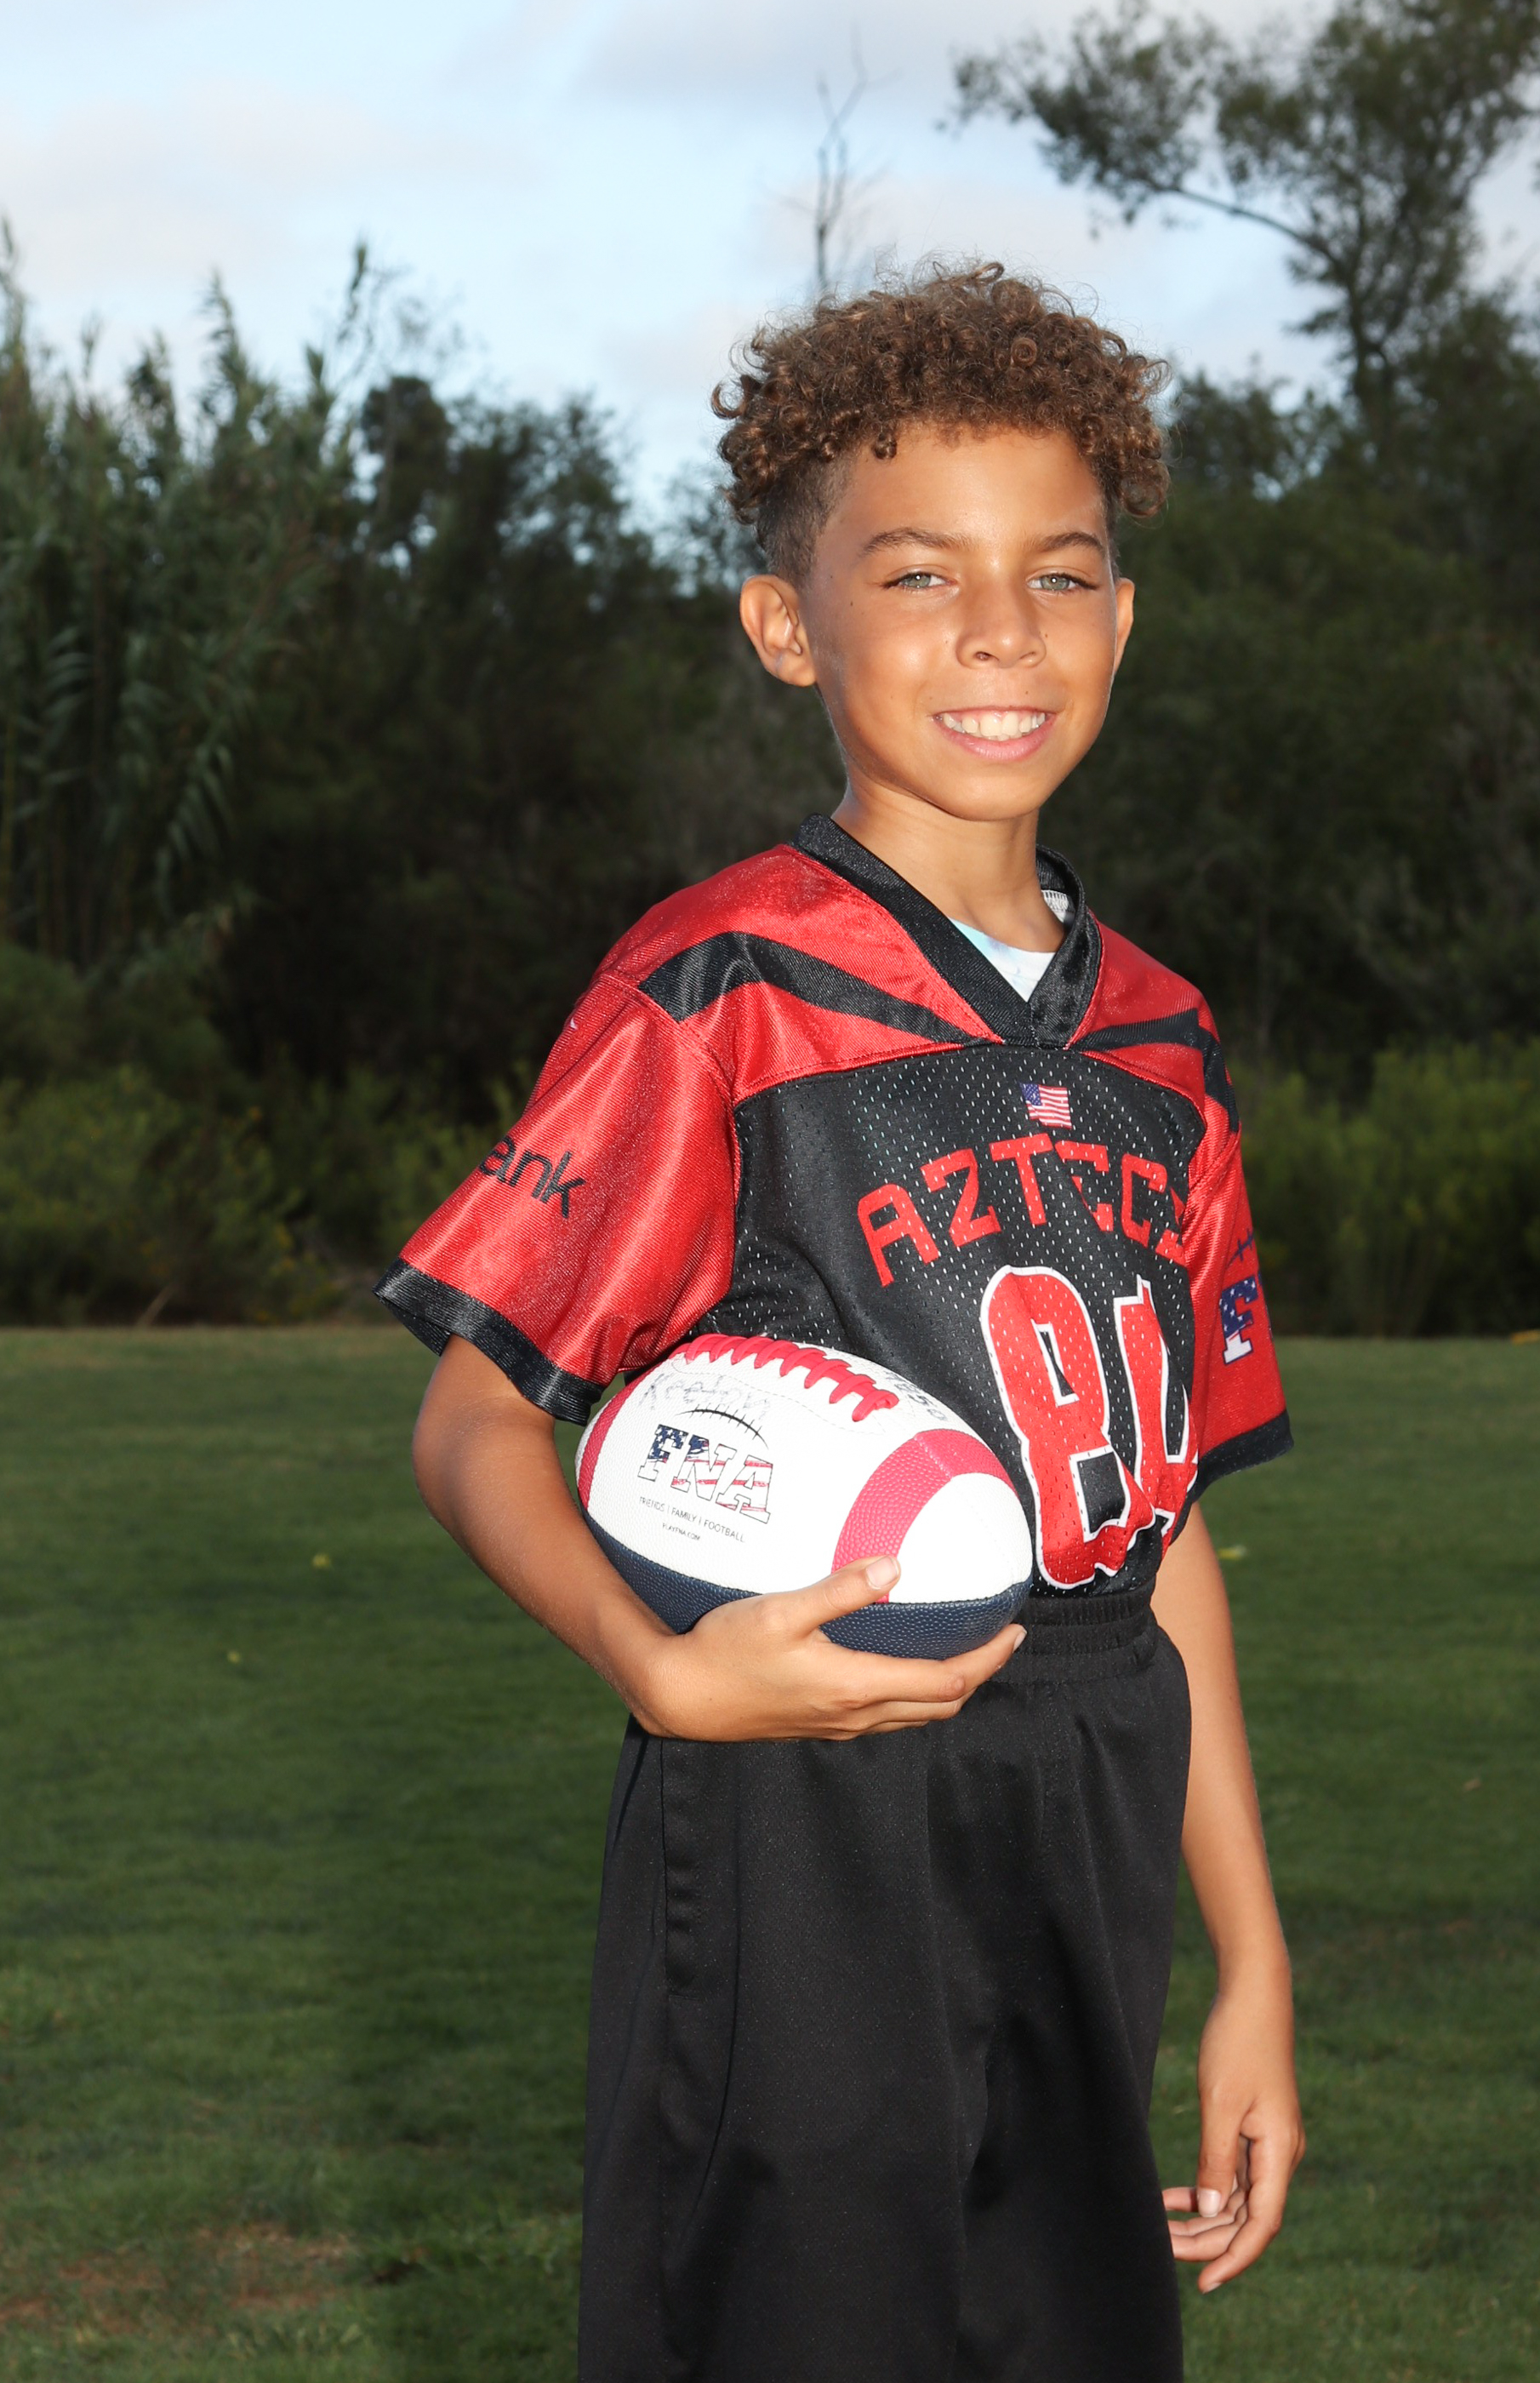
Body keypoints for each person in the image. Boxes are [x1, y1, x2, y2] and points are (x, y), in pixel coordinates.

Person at [378, 260, 1304, 2383]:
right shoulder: (725, 990)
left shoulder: (1164, 1040)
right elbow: (469, 1420)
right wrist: (660, 1670)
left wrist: (1251, 1954)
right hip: (809, 1793)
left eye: (1058, 571)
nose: (1001, 631)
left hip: (1093, 1780)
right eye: (918, 573)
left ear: (1124, 617)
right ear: (788, 625)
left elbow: (1162, 1525)